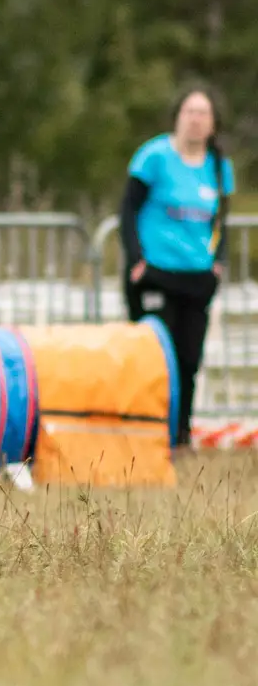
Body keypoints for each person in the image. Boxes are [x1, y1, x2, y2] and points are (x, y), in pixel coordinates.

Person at [122, 88, 234, 449]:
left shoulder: (218, 166)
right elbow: (128, 210)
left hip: (197, 276)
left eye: (203, 113)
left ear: (213, 122)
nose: (196, 119)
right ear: (178, 116)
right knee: (155, 357)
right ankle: (146, 432)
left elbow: (221, 221)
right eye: (190, 111)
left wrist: (218, 263)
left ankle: (180, 435)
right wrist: (136, 259)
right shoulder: (154, 157)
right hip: (155, 273)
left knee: (188, 359)